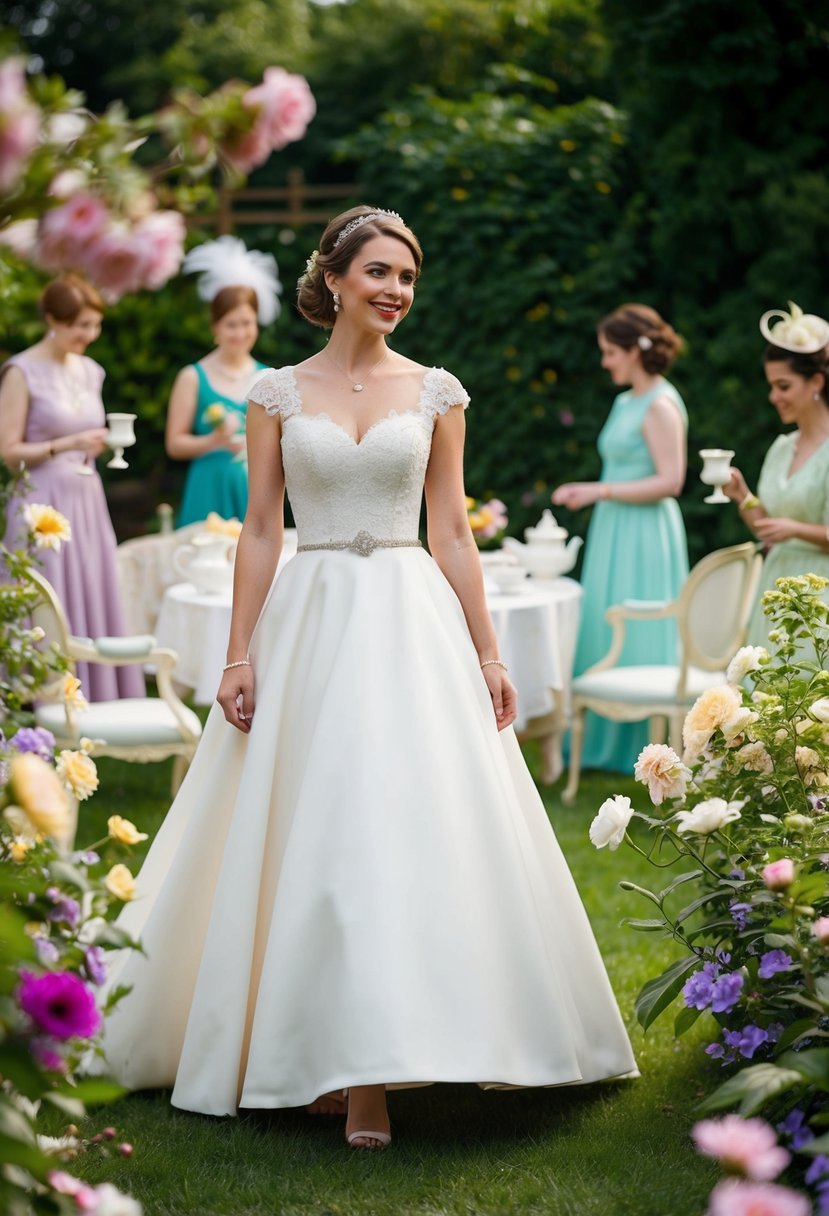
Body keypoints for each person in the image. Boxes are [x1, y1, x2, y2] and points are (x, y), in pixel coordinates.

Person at [100, 206, 637, 1150]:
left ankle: (378, 1071)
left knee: (396, 823)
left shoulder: (437, 391)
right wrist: (237, 652)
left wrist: (487, 652)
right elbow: (260, 531)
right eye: (380, 272)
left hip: (406, 617)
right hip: (308, 620)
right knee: (309, 828)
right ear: (335, 278)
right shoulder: (274, 394)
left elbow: (454, 531)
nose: (395, 290)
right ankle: (314, 1052)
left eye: (408, 277)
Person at [552, 303, 688, 774]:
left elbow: (671, 480)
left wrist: (598, 490)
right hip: (615, 527)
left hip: (646, 533)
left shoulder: (661, 404)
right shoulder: (626, 400)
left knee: (641, 627)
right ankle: (601, 742)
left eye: (611, 352)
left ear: (636, 350)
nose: (606, 361)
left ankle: (646, 748)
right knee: (605, 620)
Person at [0, 274, 144, 701]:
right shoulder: (21, 371)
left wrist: (99, 444)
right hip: (40, 507)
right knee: (48, 599)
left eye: (94, 325)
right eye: (80, 325)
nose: (89, 334)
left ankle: (93, 695)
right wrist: (68, 443)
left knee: (89, 589)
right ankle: (34, 700)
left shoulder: (90, 370)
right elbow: (9, 451)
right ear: (52, 319)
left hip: (86, 502)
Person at [723, 302, 829, 647]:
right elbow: (766, 529)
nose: (773, 397)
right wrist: (743, 496)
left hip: (819, 597)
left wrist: (795, 529)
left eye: (783, 386)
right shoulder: (782, 447)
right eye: (771, 386)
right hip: (775, 589)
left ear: (815, 381)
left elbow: (787, 529)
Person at [166, 237, 278, 526]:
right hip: (207, 487)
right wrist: (214, 441)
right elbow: (175, 444)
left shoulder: (270, 378)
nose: (240, 333)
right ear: (215, 326)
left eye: (246, 323)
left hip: (252, 488)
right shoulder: (193, 376)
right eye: (231, 324)